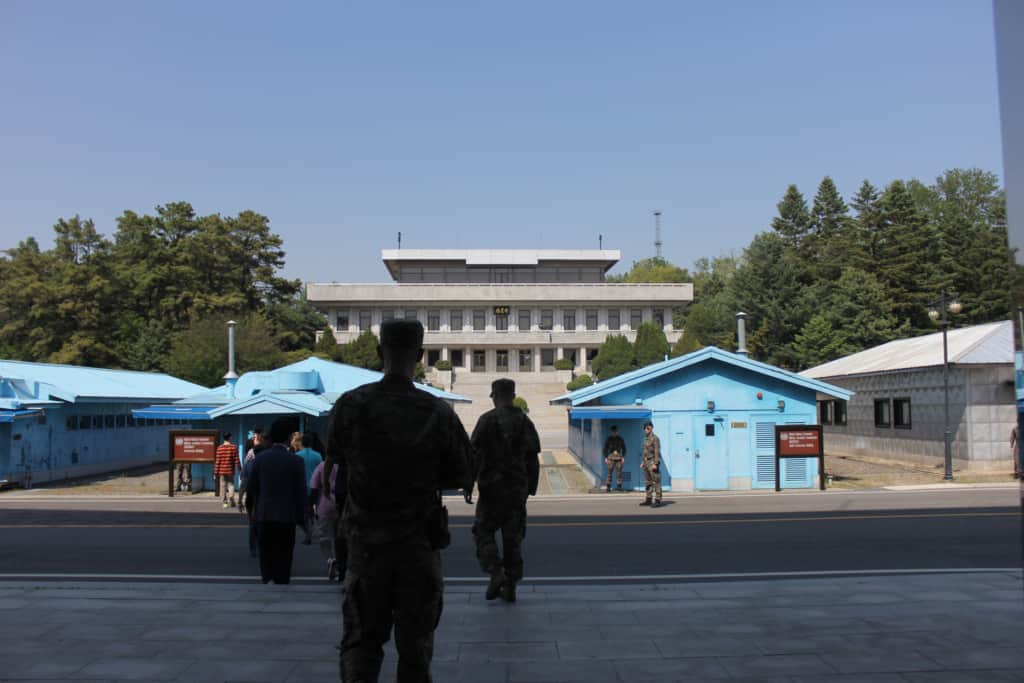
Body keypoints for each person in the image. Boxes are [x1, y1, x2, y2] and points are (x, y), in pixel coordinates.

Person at [327, 319, 471, 683]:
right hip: (416, 546)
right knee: (415, 649)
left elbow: (337, 458)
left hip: (364, 545)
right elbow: (463, 472)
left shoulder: (350, 405)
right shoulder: (437, 412)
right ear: (420, 356)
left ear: (379, 353)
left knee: (361, 642)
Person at [469, 378, 540, 603]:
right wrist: (532, 487)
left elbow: (475, 455)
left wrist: (469, 482)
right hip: (516, 490)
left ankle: (495, 572)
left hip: (491, 489)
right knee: (513, 539)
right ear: (512, 394)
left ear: (495, 395)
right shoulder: (524, 421)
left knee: (483, 532)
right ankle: (510, 585)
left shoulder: (486, 420)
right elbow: (532, 458)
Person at [245, 417, 308, 584]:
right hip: (287, 517)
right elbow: (300, 493)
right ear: (288, 438)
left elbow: (251, 489)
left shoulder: (260, 459)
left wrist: (251, 512)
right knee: (284, 556)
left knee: (266, 556)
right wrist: (304, 521)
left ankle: (268, 581)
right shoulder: (296, 461)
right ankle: (282, 582)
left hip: (263, 515)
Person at [309, 451, 345, 581]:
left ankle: (330, 559)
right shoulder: (345, 466)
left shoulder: (322, 466)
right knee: (340, 536)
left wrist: (310, 506)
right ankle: (341, 562)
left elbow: (313, 487)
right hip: (342, 503)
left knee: (324, 536)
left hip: (325, 503)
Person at [295, 432, 324, 545]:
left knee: (304, 512)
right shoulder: (317, 455)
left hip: (303, 487)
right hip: (316, 486)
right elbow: (321, 470)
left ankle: (308, 535)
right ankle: (321, 532)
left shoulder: (298, 455)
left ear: (302, 442)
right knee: (318, 509)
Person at [639, 421, 662, 508]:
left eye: (648, 428)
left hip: (652, 461)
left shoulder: (655, 438)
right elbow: (645, 451)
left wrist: (656, 463)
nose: (646, 430)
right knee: (648, 482)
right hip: (646, 462)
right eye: (645, 428)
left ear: (651, 428)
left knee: (656, 481)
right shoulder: (645, 438)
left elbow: (657, 451)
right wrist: (643, 462)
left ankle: (658, 500)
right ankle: (648, 499)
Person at [214, 431, 238, 508]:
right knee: (231, 485)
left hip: (221, 470)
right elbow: (237, 460)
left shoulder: (219, 448)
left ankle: (224, 502)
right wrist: (240, 469)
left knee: (223, 486)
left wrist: (215, 472)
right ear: (230, 437)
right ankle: (231, 496)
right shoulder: (233, 447)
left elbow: (217, 461)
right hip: (230, 470)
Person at [603, 425, 627, 493]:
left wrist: (623, 457)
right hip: (610, 458)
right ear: (611, 432)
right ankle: (608, 487)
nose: (614, 433)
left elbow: (624, 448)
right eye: (613, 431)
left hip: (619, 458)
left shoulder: (620, 439)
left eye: (615, 431)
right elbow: (605, 449)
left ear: (617, 432)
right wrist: (606, 457)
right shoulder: (609, 439)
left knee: (619, 473)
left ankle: (619, 486)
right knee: (609, 473)